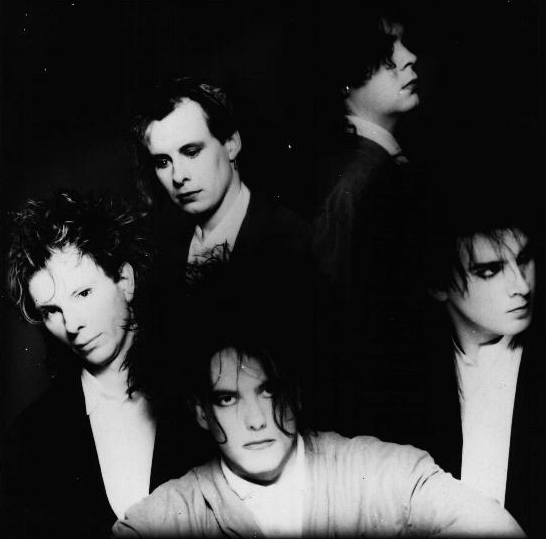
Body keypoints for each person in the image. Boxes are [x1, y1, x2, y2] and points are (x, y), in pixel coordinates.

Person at [112, 334, 524, 537]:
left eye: (269, 390)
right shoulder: (166, 516)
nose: (255, 420)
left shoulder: (376, 472)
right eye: (227, 398)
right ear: (201, 412)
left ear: (297, 392)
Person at [0, 191, 210, 539]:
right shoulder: (32, 435)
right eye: (51, 311)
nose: (72, 324)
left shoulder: (206, 394)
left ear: (125, 281)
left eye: (83, 293)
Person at [131, 76, 313, 357]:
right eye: (163, 162)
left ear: (231, 144)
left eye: (191, 152)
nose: (178, 176)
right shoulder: (159, 251)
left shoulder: (294, 241)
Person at [310, 5, 426, 435]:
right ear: (344, 79)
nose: (409, 57)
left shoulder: (374, 166)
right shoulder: (355, 182)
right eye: (386, 54)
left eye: (404, 44)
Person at [407, 183, 544, 536]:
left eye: (524, 260)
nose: (521, 286)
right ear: (438, 286)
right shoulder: (408, 376)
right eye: (490, 271)